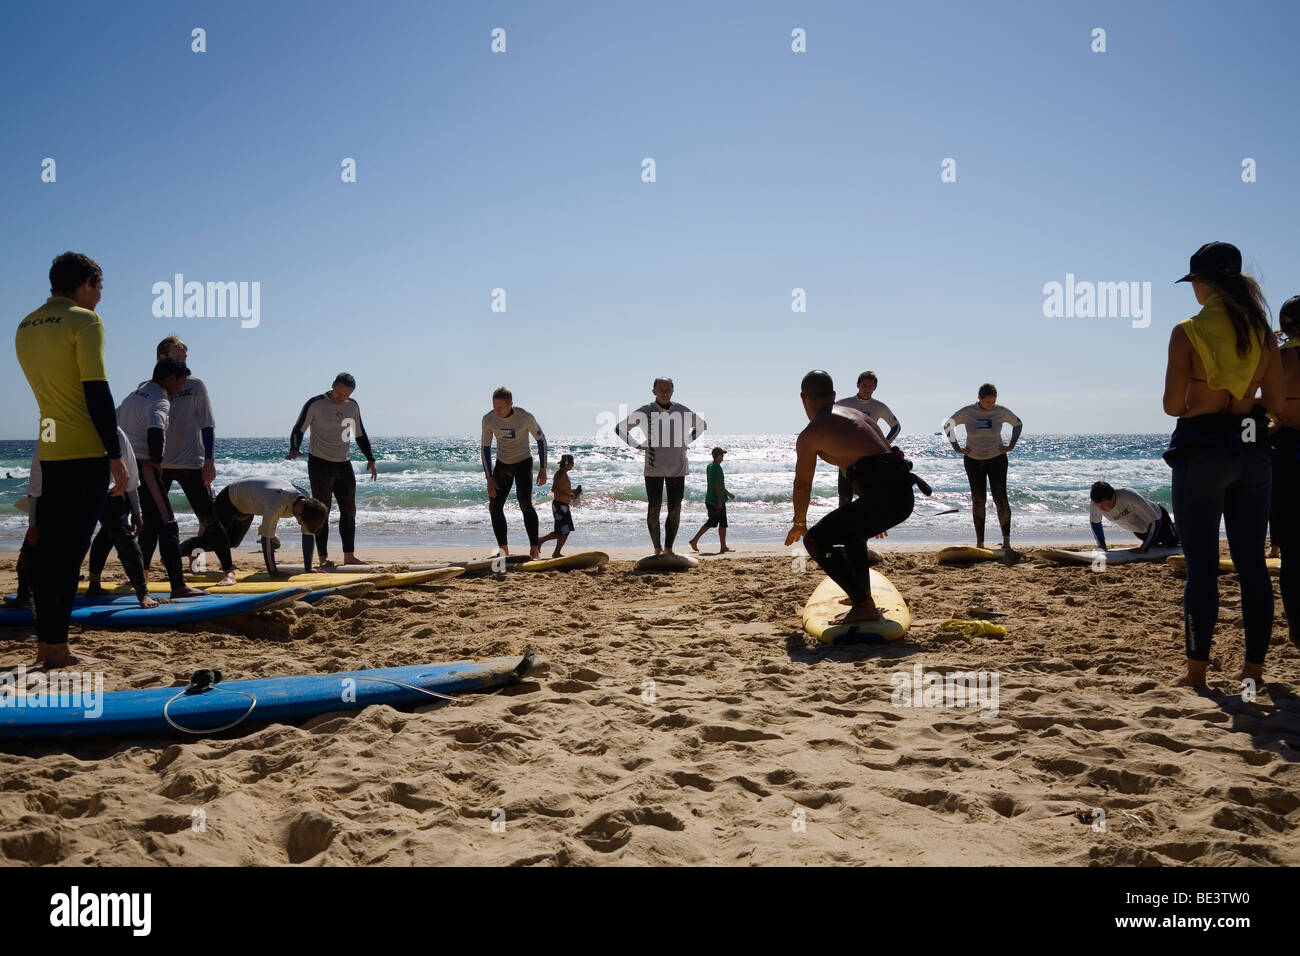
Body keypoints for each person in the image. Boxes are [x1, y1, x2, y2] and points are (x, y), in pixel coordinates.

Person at [1163, 241, 1284, 688]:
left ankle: (1196, 673)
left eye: (1194, 282)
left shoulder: (1187, 331)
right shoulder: (1263, 334)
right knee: (1252, 564)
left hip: (1202, 450)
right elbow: (1274, 407)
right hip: (1252, 450)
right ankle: (1253, 671)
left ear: (1205, 284)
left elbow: (1173, 405)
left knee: (1202, 564)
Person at [13, 252, 129, 667]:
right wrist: (113, 454)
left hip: (50, 446)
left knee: (49, 553)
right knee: (69, 553)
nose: (99, 297)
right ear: (86, 283)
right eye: (99, 288)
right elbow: (96, 391)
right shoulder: (86, 321)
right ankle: (57, 650)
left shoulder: (25, 325)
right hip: (83, 450)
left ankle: (48, 645)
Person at [786, 371, 931, 624]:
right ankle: (862, 597)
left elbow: (802, 484)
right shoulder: (860, 417)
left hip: (885, 496)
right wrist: (873, 514)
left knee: (815, 540)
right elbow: (876, 460)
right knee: (852, 535)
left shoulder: (811, 434)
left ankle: (863, 606)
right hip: (901, 493)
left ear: (803, 398)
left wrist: (799, 523)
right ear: (833, 396)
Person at [138, 336, 231, 578]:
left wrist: (209, 462)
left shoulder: (195, 385)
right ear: (162, 358)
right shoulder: (146, 388)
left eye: (185, 357)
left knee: (209, 519)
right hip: (158, 465)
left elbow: (207, 425)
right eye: (177, 356)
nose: (183, 360)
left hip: (191, 463)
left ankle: (228, 569)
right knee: (150, 522)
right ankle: (142, 572)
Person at [117, 358, 207, 598]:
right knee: (168, 526)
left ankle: (96, 581)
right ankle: (178, 587)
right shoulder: (159, 399)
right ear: (170, 379)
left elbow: (113, 424)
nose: (181, 388)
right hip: (144, 468)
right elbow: (155, 429)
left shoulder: (133, 396)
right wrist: (156, 461)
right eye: (181, 382)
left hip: (122, 468)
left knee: (117, 526)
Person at [287, 373, 378, 569]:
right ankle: (323, 558)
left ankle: (349, 556)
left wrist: (370, 459)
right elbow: (299, 428)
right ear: (332, 386)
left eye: (345, 395)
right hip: (319, 464)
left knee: (349, 511)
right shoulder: (316, 404)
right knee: (322, 512)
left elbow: (360, 434)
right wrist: (294, 448)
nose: (340, 398)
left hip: (343, 464)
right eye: (338, 393)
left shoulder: (352, 406)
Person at [617, 377, 707, 555]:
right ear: (654, 391)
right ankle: (657, 548)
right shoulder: (645, 411)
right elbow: (620, 428)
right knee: (654, 509)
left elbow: (702, 426)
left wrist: (686, 441)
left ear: (673, 390)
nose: (664, 392)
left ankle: (668, 549)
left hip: (677, 467)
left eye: (668, 389)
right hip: (653, 468)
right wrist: (636, 445)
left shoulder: (681, 410)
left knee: (675, 509)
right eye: (661, 389)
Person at [181, 477, 328, 576]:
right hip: (229, 499)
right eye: (303, 522)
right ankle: (174, 553)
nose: (301, 525)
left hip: (247, 508)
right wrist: (273, 571)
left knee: (233, 542)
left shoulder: (306, 504)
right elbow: (267, 539)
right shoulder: (277, 503)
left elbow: (308, 533)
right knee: (213, 540)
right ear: (300, 516)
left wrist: (309, 568)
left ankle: (193, 551)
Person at [945, 384, 1022, 552]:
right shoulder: (967, 412)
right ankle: (980, 542)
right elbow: (948, 425)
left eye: (993, 401)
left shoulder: (1001, 411)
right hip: (973, 460)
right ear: (979, 398)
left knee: (1000, 499)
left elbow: (1018, 424)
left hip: (997, 459)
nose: (990, 405)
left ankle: (1006, 541)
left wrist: (1012, 444)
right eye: (987, 402)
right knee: (978, 500)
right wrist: (956, 447)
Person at [480, 387, 548, 559]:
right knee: (494, 506)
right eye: (494, 406)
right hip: (502, 464)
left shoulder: (524, 417)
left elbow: (541, 440)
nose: (497, 410)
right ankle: (503, 551)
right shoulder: (489, 420)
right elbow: (485, 448)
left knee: (525, 503)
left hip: (523, 463)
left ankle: (534, 548)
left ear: (510, 404)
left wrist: (543, 468)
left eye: (500, 407)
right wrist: (489, 478)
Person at [1269, 293, 1300, 648]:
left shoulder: (1277, 358)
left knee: (1292, 552)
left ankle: (1296, 626)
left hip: (1287, 453)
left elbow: (1259, 405)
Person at [835, 372, 901, 507]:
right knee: (844, 501)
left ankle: (876, 528)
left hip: (869, 460)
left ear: (875, 388)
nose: (866, 389)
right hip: (847, 458)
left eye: (870, 386)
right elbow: (827, 421)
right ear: (858, 385)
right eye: (864, 385)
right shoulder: (844, 404)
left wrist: (884, 446)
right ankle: (846, 527)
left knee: (871, 502)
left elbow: (896, 427)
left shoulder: (879, 407)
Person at [1088, 481, 1180, 552]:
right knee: (1155, 544)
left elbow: (1155, 522)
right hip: (1140, 531)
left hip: (1160, 520)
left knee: (1172, 543)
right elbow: (1095, 524)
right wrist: (1102, 546)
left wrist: (1144, 548)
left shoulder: (1129, 496)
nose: (1100, 508)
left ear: (1110, 497)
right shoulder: (1096, 503)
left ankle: (1181, 527)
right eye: (1097, 504)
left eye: (1102, 504)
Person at [688, 446, 735, 553]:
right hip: (715, 500)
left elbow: (719, 484)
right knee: (712, 522)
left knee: (722, 523)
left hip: (711, 498)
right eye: (722, 455)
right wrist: (719, 500)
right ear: (717, 456)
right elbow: (717, 485)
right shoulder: (716, 468)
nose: (723, 457)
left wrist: (727, 493)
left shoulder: (710, 466)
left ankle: (723, 546)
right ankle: (694, 540)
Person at [537, 454, 581, 557]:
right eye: (572, 463)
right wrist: (568, 494)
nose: (572, 466)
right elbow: (554, 489)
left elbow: (563, 489)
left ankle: (555, 551)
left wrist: (574, 492)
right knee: (562, 531)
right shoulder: (560, 474)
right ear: (567, 464)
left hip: (563, 506)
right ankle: (542, 541)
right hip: (559, 506)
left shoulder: (563, 474)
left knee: (565, 531)